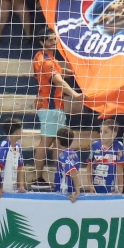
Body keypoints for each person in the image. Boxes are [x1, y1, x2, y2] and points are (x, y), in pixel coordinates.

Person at [32, 32, 81, 186]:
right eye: (50, 40)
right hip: (51, 106)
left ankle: (57, 175)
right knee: (48, 142)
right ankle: (39, 178)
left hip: (48, 105)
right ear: (42, 42)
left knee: (55, 142)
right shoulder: (47, 62)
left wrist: (70, 72)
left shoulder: (42, 57)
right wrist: (75, 94)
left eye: (55, 39)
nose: (54, 42)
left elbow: (56, 73)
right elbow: (58, 81)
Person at [88, 118, 124, 194]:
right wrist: (90, 185)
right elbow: (89, 167)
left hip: (112, 189)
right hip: (96, 189)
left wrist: (120, 189)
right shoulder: (95, 145)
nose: (102, 134)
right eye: (101, 131)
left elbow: (120, 170)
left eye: (105, 132)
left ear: (114, 134)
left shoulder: (119, 146)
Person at [0, 119, 25, 198]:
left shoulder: (18, 147)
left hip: (12, 190)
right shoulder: (4, 146)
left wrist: (21, 185)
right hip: (2, 192)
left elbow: (20, 168)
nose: (22, 132)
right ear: (17, 131)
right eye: (21, 130)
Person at [54, 126, 81, 202]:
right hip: (70, 189)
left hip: (64, 191)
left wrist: (77, 191)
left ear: (57, 140)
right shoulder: (74, 153)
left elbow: (73, 171)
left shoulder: (63, 155)